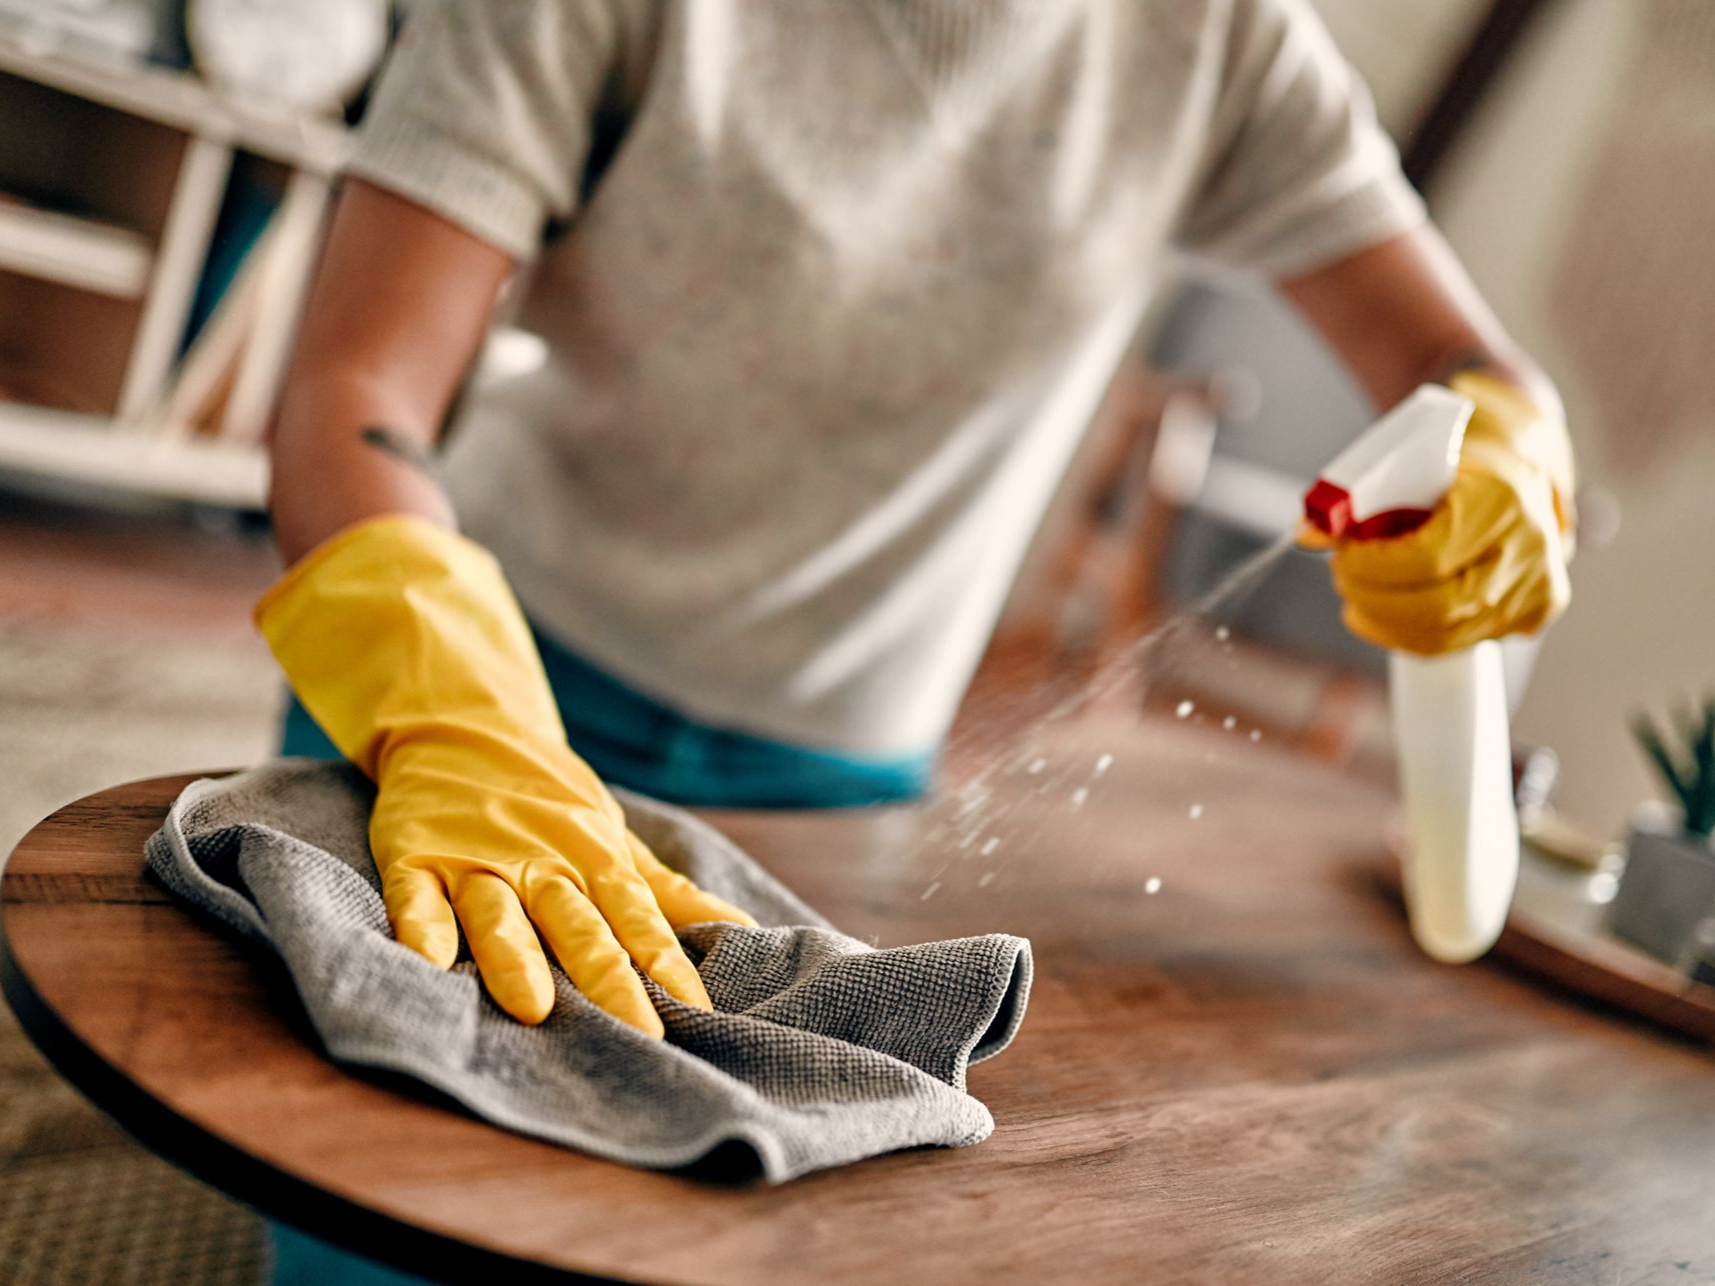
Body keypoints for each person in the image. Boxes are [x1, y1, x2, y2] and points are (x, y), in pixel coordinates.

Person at [259, 2, 1572, 1275]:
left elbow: (1466, 360)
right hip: (459, 701)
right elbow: (357, 383)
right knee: (385, 1211)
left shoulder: (1218, 35)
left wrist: (1512, 449)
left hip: (836, 792)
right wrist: (458, 718)